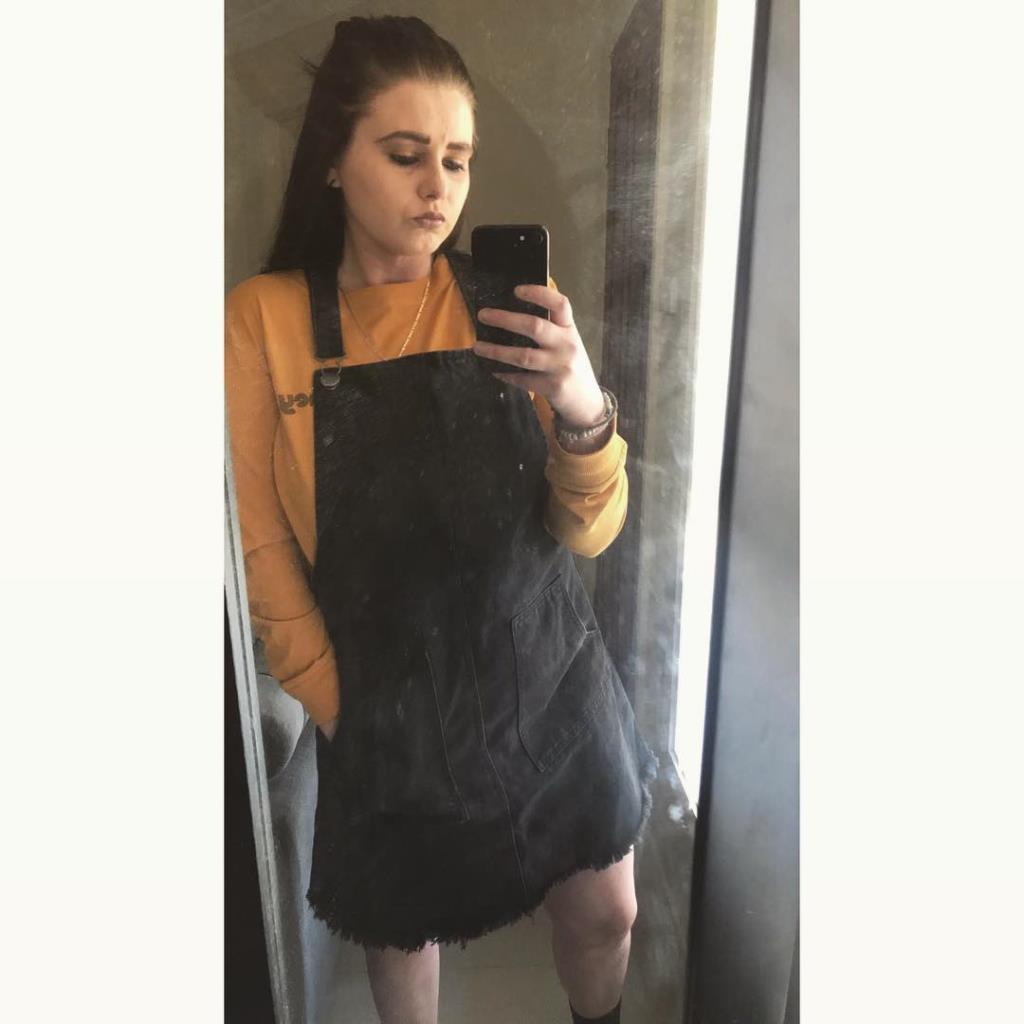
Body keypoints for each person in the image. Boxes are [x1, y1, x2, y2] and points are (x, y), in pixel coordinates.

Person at [225, 15, 658, 1024]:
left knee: (606, 914)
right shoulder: (260, 320)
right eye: (405, 154)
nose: (438, 188)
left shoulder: (509, 303)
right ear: (333, 161)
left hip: (549, 678)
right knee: (406, 941)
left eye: (457, 160)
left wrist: (582, 403)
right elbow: (261, 548)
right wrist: (344, 707)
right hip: (385, 703)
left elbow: (589, 531)